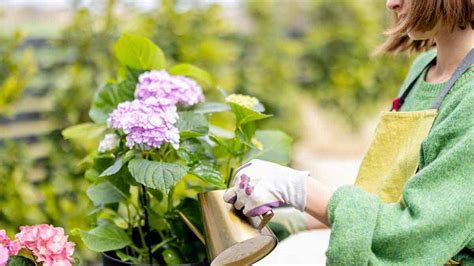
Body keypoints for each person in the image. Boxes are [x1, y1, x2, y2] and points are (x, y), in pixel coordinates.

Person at [223, 0, 474, 264]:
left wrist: (301, 190)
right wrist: (295, 221)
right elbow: (385, 196)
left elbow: (412, 237)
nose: (391, 4)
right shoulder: (422, 70)